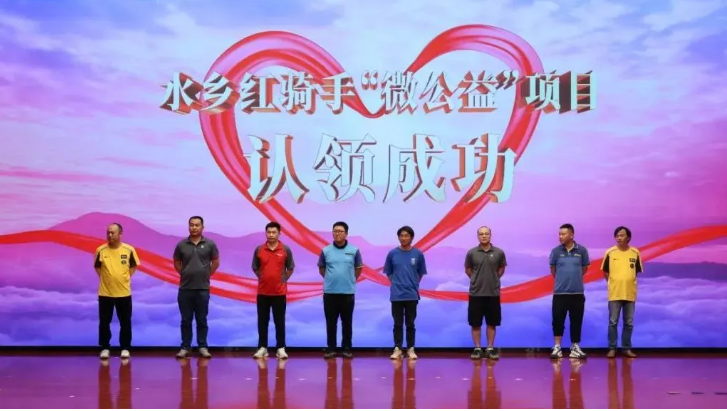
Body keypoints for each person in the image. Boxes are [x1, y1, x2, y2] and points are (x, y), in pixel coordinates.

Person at [173, 216, 220, 358]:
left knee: (202, 320)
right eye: (191, 225)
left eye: (197, 225)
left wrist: (205, 274)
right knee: (185, 320)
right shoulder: (181, 245)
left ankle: (203, 347)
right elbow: (176, 262)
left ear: (202, 227)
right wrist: (185, 273)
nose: (194, 227)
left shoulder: (210, 244)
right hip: (185, 288)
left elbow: (215, 262)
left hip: (202, 289)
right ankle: (185, 347)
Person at [94, 223, 141, 360]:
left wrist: (122, 278)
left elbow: (132, 267)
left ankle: (125, 348)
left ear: (120, 233)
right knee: (104, 322)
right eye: (108, 233)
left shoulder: (129, 250)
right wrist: (108, 279)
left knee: (125, 322)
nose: (110, 235)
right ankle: (105, 348)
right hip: (105, 293)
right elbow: (98, 268)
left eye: (113, 233)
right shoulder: (100, 250)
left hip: (124, 293)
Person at [318, 221, 363, 359]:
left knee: (347, 323)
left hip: (347, 292)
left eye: (340, 231)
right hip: (330, 293)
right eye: (335, 231)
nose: (337, 233)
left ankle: (347, 348)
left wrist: (349, 279)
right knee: (331, 323)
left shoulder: (354, 250)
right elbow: (322, 268)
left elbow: (358, 268)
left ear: (346, 234)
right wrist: (331, 279)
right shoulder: (326, 250)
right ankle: (331, 348)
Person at [252, 222, 295, 360]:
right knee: (262, 321)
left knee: (279, 321)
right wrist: (263, 278)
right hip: (263, 292)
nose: (271, 235)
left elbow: (290, 268)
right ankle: (262, 347)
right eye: (269, 232)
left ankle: (280, 348)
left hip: (279, 293)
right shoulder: (259, 249)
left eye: (274, 232)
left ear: (279, 233)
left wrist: (283, 280)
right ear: (266, 233)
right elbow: (255, 267)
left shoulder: (285, 249)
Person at [384, 226, 427, 360]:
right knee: (397, 323)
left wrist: (412, 284)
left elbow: (420, 273)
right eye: (401, 235)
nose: (403, 238)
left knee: (410, 323)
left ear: (411, 238)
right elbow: (389, 272)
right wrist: (397, 283)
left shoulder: (418, 254)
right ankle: (397, 348)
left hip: (412, 295)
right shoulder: (392, 254)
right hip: (396, 295)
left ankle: (410, 348)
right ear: (398, 237)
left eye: (406, 235)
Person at [464, 226, 507, 360]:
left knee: (492, 323)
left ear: (490, 235)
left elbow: (501, 269)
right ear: (478, 236)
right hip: (476, 293)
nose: (484, 236)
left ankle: (490, 349)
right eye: (481, 234)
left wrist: (494, 279)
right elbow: (468, 269)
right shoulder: (471, 253)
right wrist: (476, 280)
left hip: (493, 293)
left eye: (486, 234)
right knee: (475, 323)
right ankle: (477, 349)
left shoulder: (499, 252)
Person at [549, 223, 589, 359]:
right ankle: (557, 347)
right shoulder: (556, 251)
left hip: (577, 293)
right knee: (557, 320)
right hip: (560, 293)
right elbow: (553, 270)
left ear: (571, 235)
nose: (560, 236)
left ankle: (575, 347)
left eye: (563, 234)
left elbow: (584, 269)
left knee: (576, 321)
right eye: (559, 234)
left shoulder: (582, 251)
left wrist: (574, 279)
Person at [601, 226, 642, 358]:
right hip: (615, 293)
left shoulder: (635, 252)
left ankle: (626, 348)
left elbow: (635, 272)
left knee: (628, 323)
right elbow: (605, 271)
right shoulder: (610, 252)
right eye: (617, 235)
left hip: (630, 292)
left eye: (622, 235)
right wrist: (612, 283)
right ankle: (612, 348)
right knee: (613, 322)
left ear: (628, 237)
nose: (619, 238)